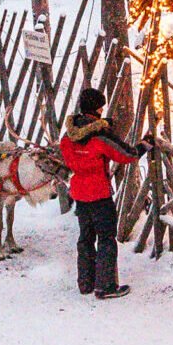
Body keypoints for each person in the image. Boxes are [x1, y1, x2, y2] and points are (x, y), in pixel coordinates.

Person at [60, 86, 146, 300]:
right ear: (98, 109)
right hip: (99, 194)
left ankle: (86, 282)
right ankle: (105, 286)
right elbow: (126, 154)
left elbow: (67, 157)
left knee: (85, 238)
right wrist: (144, 146)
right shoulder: (100, 136)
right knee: (106, 238)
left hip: (80, 193)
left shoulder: (68, 136)